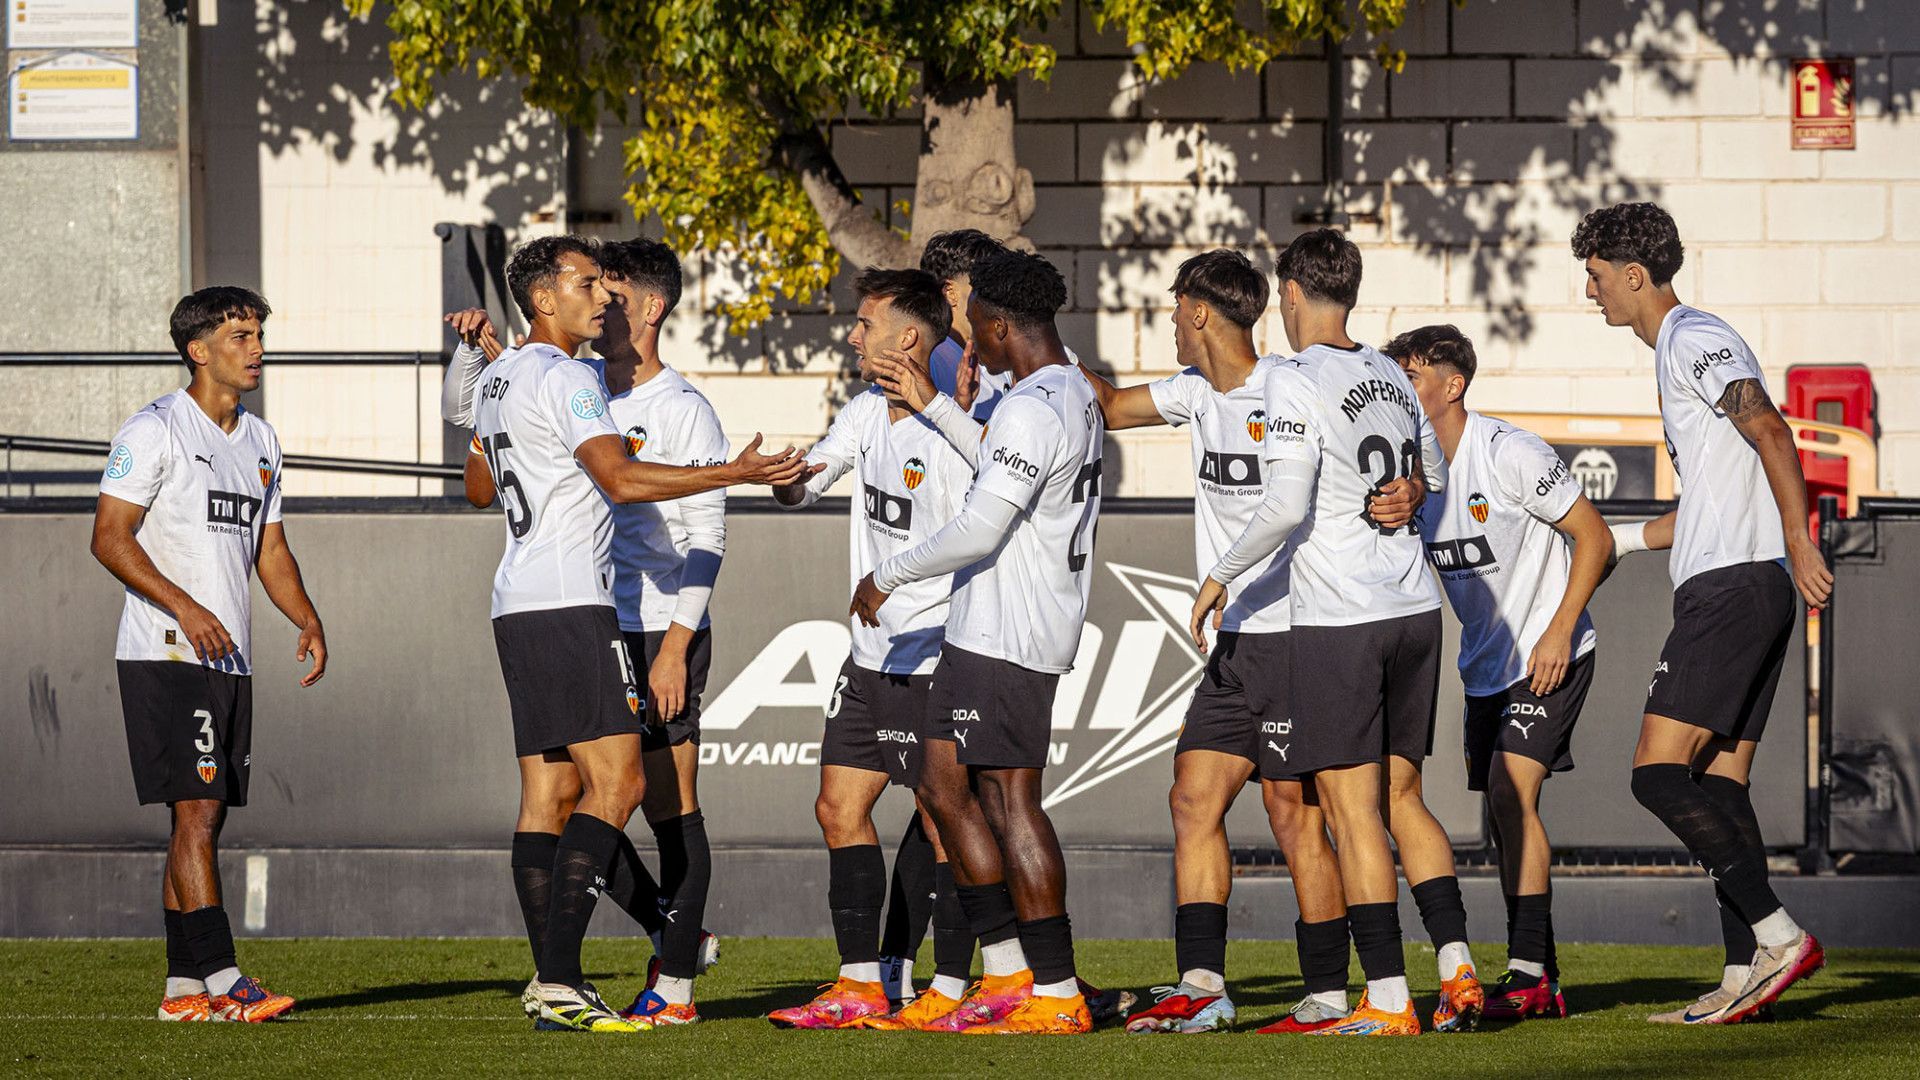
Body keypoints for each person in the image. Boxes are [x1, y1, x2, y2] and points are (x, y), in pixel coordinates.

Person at [472, 235, 813, 1032]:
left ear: (650, 307)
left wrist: (673, 645)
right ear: (547, 298)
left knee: (625, 799)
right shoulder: (567, 378)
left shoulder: (666, 403)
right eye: (589, 285)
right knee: (602, 791)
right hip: (574, 609)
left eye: (611, 290)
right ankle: (570, 973)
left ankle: (655, 974)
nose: (602, 300)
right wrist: (736, 470)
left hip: (618, 619)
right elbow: (616, 481)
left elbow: (705, 535)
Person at [1072, 250, 1412, 1034]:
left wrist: (1410, 489)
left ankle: (1328, 990)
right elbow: (1110, 406)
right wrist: (1034, 341)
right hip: (1234, 648)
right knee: (1192, 798)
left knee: (1297, 817)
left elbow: (1374, 459)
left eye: (1172, 308)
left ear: (1197, 312)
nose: (1168, 322)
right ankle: (1202, 985)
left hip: (1298, 635)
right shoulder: (1192, 393)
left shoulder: (1288, 388)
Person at [1191, 229, 1480, 1037]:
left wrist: (1221, 573)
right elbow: (1439, 474)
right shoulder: (1390, 371)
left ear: (1288, 294)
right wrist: (1414, 491)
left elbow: (1284, 505)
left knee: (1351, 813)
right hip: (1415, 609)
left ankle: (1387, 998)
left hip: (1344, 618)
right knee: (1401, 797)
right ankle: (1455, 963)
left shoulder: (1292, 376)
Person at [1573, 202, 1831, 1024]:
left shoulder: (1691, 335)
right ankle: (1742, 968)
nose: (1591, 292)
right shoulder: (1677, 353)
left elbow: (1773, 431)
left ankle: (1778, 934)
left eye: (1597, 275)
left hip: (1734, 591)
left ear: (1635, 275)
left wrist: (1799, 538)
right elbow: (1707, 504)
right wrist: (1613, 540)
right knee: (1722, 783)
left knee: (1656, 772)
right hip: (1741, 585)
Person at [852, 250, 1103, 1034]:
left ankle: (1051, 991)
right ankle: (1006, 972)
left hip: (1008, 630)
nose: (968, 339)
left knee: (1010, 802)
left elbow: (982, 524)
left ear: (1000, 326)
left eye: (973, 325)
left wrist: (887, 573)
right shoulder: (1068, 393)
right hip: (995, 626)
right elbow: (996, 466)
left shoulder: (1034, 405)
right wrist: (936, 405)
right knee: (946, 784)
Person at [92, 286, 327, 1023]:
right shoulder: (155, 428)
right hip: (166, 653)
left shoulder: (261, 440)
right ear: (198, 349)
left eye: (258, 333)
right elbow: (109, 539)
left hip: (231, 658)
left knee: (203, 817)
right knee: (196, 813)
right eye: (240, 335)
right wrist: (186, 608)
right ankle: (227, 981)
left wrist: (307, 616)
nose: (256, 348)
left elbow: (270, 547)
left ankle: (182, 988)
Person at [765, 268, 976, 1030]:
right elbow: (811, 481)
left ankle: (949, 987)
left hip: (934, 656)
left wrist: (896, 577)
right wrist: (785, 477)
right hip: (868, 657)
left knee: (946, 819)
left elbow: (977, 533)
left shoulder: (953, 429)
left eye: (866, 323)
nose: (854, 335)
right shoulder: (863, 414)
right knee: (837, 806)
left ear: (909, 339)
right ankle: (858, 984)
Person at [1387, 324, 1611, 1022]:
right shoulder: (1413, 481)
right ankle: (1540, 975)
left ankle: (1528, 971)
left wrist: (1559, 627)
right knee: (1503, 819)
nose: (1401, 392)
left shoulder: (1509, 451)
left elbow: (1595, 536)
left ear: (1451, 385)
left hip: (1552, 653)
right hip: (1485, 669)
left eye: (1412, 378)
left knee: (1515, 794)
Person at [919, 228, 1009, 421]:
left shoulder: (993, 358)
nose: (997, 298)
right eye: (984, 287)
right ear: (950, 292)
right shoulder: (927, 361)